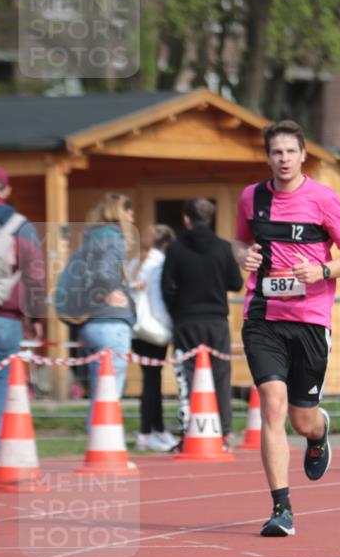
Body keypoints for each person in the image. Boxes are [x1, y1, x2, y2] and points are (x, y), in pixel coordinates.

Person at [233, 119, 340, 536]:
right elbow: (239, 241)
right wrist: (244, 256)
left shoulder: (323, 199)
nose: (283, 159)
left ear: (303, 154)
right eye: (276, 152)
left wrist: (322, 269)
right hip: (262, 316)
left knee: (299, 419)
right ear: (267, 157)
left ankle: (318, 431)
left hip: (309, 319)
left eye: (290, 151)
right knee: (271, 405)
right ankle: (281, 509)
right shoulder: (251, 197)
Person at [161, 198, 242, 450]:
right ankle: (223, 434)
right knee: (220, 377)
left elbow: (166, 287)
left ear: (186, 219)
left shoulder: (175, 249)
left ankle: (190, 434)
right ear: (211, 218)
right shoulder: (223, 247)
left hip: (186, 321)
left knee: (188, 377)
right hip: (216, 320)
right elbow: (236, 283)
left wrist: (176, 311)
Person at [0, 165, 45, 461]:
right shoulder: (21, 225)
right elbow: (35, 274)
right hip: (5, 315)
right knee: (3, 377)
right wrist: (35, 319)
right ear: (7, 190)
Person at [77, 193, 137, 421]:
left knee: (99, 391)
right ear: (120, 213)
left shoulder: (90, 237)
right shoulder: (113, 238)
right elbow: (104, 272)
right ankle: (107, 447)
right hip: (111, 323)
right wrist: (110, 290)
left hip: (91, 322)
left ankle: (97, 441)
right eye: (129, 211)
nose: (132, 216)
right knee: (111, 393)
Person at [131, 224, 178, 452]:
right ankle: (151, 431)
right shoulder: (158, 264)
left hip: (137, 330)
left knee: (149, 380)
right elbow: (158, 303)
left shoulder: (136, 262)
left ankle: (149, 430)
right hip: (154, 330)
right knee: (153, 381)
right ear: (167, 244)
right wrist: (171, 328)